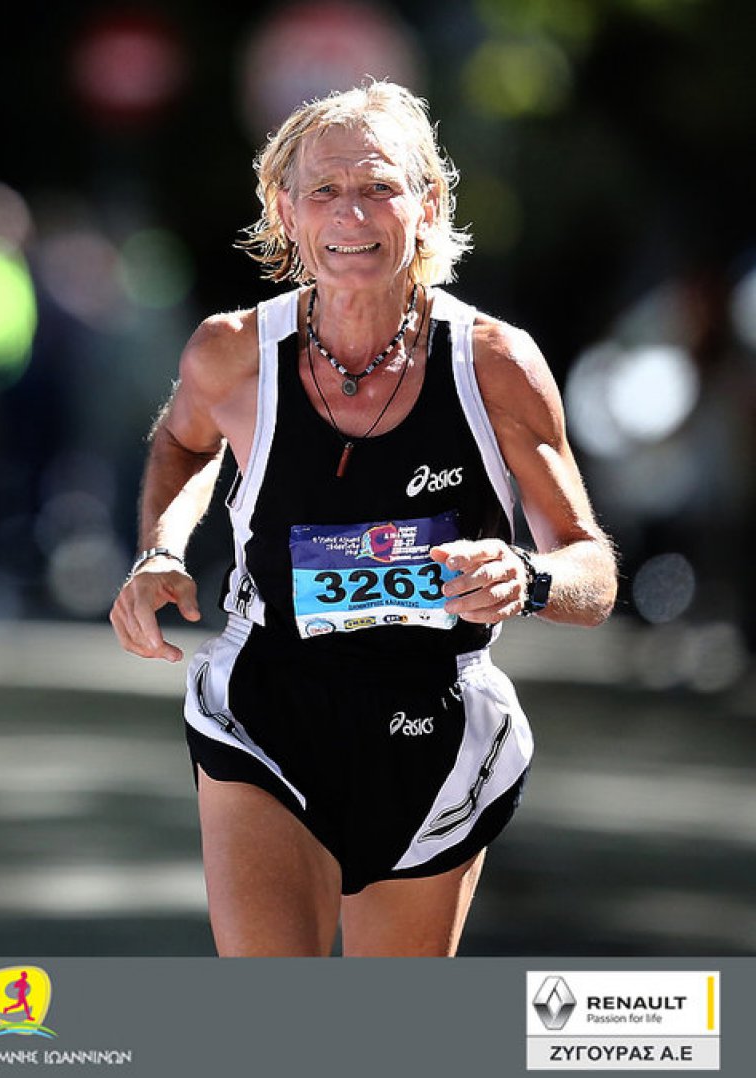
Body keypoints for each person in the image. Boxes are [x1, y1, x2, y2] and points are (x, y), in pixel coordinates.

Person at [108, 81, 616, 957]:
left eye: (380, 186)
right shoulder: (233, 353)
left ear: (429, 203)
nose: (352, 214)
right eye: (325, 190)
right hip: (266, 710)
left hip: (435, 723)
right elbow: (185, 444)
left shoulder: (494, 364)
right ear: (286, 211)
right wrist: (162, 549)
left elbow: (592, 569)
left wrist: (527, 578)